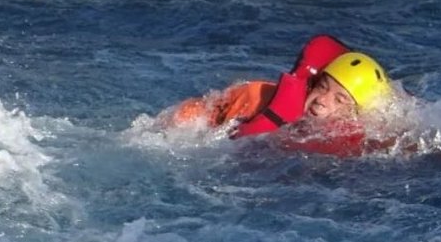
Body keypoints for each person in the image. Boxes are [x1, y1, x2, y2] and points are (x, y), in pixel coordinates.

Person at [155, 35, 393, 154]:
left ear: (356, 113)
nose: (322, 100)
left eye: (339, 99)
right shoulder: (258, 96)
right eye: (322, 87)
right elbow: (189, 115)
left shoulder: (360, 141)